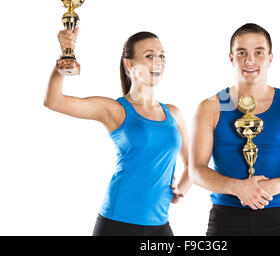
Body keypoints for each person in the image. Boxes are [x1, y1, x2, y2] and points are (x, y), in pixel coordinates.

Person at [44, 28, 191, 236]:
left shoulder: (174, 114)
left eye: (161, 56)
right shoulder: (115, 110)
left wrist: (181, 191)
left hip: (160, 225)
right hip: (118, 224)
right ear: (129, 64)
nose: (158, 61)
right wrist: (64, 58)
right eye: (149, 56)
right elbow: (54, 101)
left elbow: (194, 164)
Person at [189, 23, 280, 236]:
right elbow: (196, 171)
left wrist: (273, 187)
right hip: (225, 218)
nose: (250, 60)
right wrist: (237, 188)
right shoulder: (209, 107)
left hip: (277, 217)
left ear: (270, 58)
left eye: (258, 52)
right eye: (242, 53)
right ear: (231, 58)